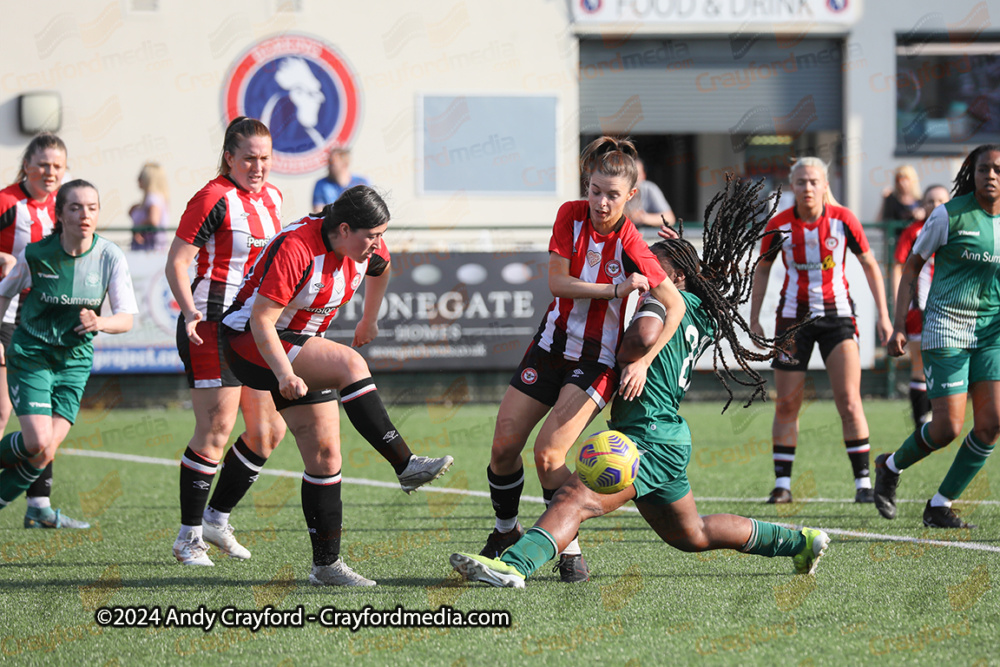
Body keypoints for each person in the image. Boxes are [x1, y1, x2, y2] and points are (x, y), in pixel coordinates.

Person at [450, 178, 830, 588]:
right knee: (693, 534)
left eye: (653, 261)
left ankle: (514, 566)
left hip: (646, 437)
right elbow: (688, 284)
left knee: (574, 497)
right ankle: (800, 541)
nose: (642, 265)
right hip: (667, 437)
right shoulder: (704, 311)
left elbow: (642, 338)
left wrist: (632, 353)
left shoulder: (661, 300)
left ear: (678, 277)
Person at [221, 185, 453, 586]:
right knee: (349, 362)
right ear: (343, 229)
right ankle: (405, 464)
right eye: (372, 235)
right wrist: (283, 374)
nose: (378, 244)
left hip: (296, 346)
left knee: (326, 457)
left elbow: (382, 269)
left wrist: (370, 319)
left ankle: (326, 567)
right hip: (251, 345)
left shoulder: (368, 248)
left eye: (382, 234)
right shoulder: (297, 247)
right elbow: (260, 320)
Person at [479, 136, 683, 583]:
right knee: (502, 447)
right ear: (586, 185)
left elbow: (677, 306)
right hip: (550, 346)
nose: (601, 202)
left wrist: (644, 361)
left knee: (549, 453)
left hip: (596, 363)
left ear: (631, 196)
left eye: (613, 195)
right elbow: (557, 282)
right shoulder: (570, 216)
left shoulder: (633, 244)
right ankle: (504, 532)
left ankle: (570, 554)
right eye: (595, 190)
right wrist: (614, 289)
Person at [165, 117, 287, 566]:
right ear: (229, 157)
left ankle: (217, 519)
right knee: (215, 431)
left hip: (251, 327)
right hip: (210, 324)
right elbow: (178, 261)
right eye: (249, 158)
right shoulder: (212, 198)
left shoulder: (273, 197)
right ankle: (187, 538)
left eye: (265, 158)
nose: (258, 166)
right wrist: (189, 309)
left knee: (268, 432)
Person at [749, 157, 893, 504]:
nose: (808, 188)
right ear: (792, 186)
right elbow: (763, 269)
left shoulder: (844, 221)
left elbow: (871, 266)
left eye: (814, 181)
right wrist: (755, 318)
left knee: (849, 400)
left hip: (838, 317)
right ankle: (782, 485)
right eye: (801, 182)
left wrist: (884, 316)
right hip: (791, 320)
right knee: (787, 403)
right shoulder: (779, 224)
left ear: (825, 185)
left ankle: (863, 485)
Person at [875, 144, 1000, 529]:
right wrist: (898, 325)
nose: (991, 176)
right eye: (983, 169)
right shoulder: (949, 215)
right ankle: (890, 465)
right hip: (946, 328)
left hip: (991, 333)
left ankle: (940, 505)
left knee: (993, 422)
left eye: (997, 170)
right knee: (946, 428)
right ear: (972, 173)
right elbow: (911, 266)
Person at [0, 180, 137, 517]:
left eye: (91, 207)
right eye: (75, 207)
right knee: (36, 442)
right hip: (32, 354)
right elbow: (4, 292)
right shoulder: (36, 254)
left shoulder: (109, 256)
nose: (84, 215)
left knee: (44, 453)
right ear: (59, 215)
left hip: (75, 362)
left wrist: (100, 323)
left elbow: (126, 319)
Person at [0, 133, 89, 529]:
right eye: (43, 164)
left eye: (57, 165)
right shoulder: (7, 204)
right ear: (27, 166)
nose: (50, 171)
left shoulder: (63, 208)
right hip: (7, 319)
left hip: (50, 326)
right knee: (5, 412)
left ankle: (38, 505)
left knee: (49, 421)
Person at [890, 185, 951, 428]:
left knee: (945, 363)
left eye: (940, 200)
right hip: (920, 306)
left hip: (952, 309)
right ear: (922, 205)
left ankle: (940, 418)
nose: (935, 205)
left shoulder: (959, 229)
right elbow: (899, 267)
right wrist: (898, 305)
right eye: (930, 200)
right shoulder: (913, 231)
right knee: (920, 364)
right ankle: (921, 422)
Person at [312, 147, 369, 213]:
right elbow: (318, 211)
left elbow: (368, 207)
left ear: (344, 164)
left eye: (332, 163)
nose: (328, 166)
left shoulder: (361, 182)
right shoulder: (321, 184)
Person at [129, 162, 170, 252]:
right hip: (150, 249)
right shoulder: (157, 198)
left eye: (141, 176)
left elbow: (153, 220)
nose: (138, 179)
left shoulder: (153, 197)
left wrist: (138, 229)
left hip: (149, 249)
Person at [624, 158, 676, 227]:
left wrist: (642, 217)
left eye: (637, 174)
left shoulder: (650, 188)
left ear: (643, 176)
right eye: (630, 174)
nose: (633, 178)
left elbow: (670, 219)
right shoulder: (615, 188)